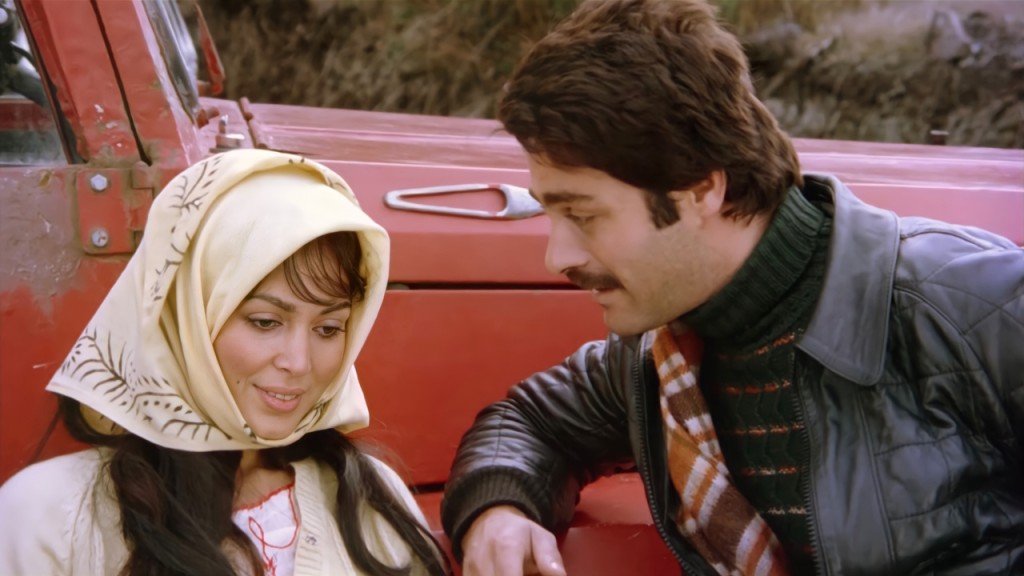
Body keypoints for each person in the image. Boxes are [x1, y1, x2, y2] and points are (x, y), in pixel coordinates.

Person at [439, 1, 1024, 575]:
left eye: (584, 215)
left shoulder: (976, 304)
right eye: (549, 213)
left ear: (700, 191)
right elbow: (532, 421)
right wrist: (499, 508)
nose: (556, 257)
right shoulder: (658, 357)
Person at [0, 149, 449, 576]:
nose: (299, 362)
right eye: (265, 321)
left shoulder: (371, 498)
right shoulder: (48, 518)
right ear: (188, 317)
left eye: (329, 329)